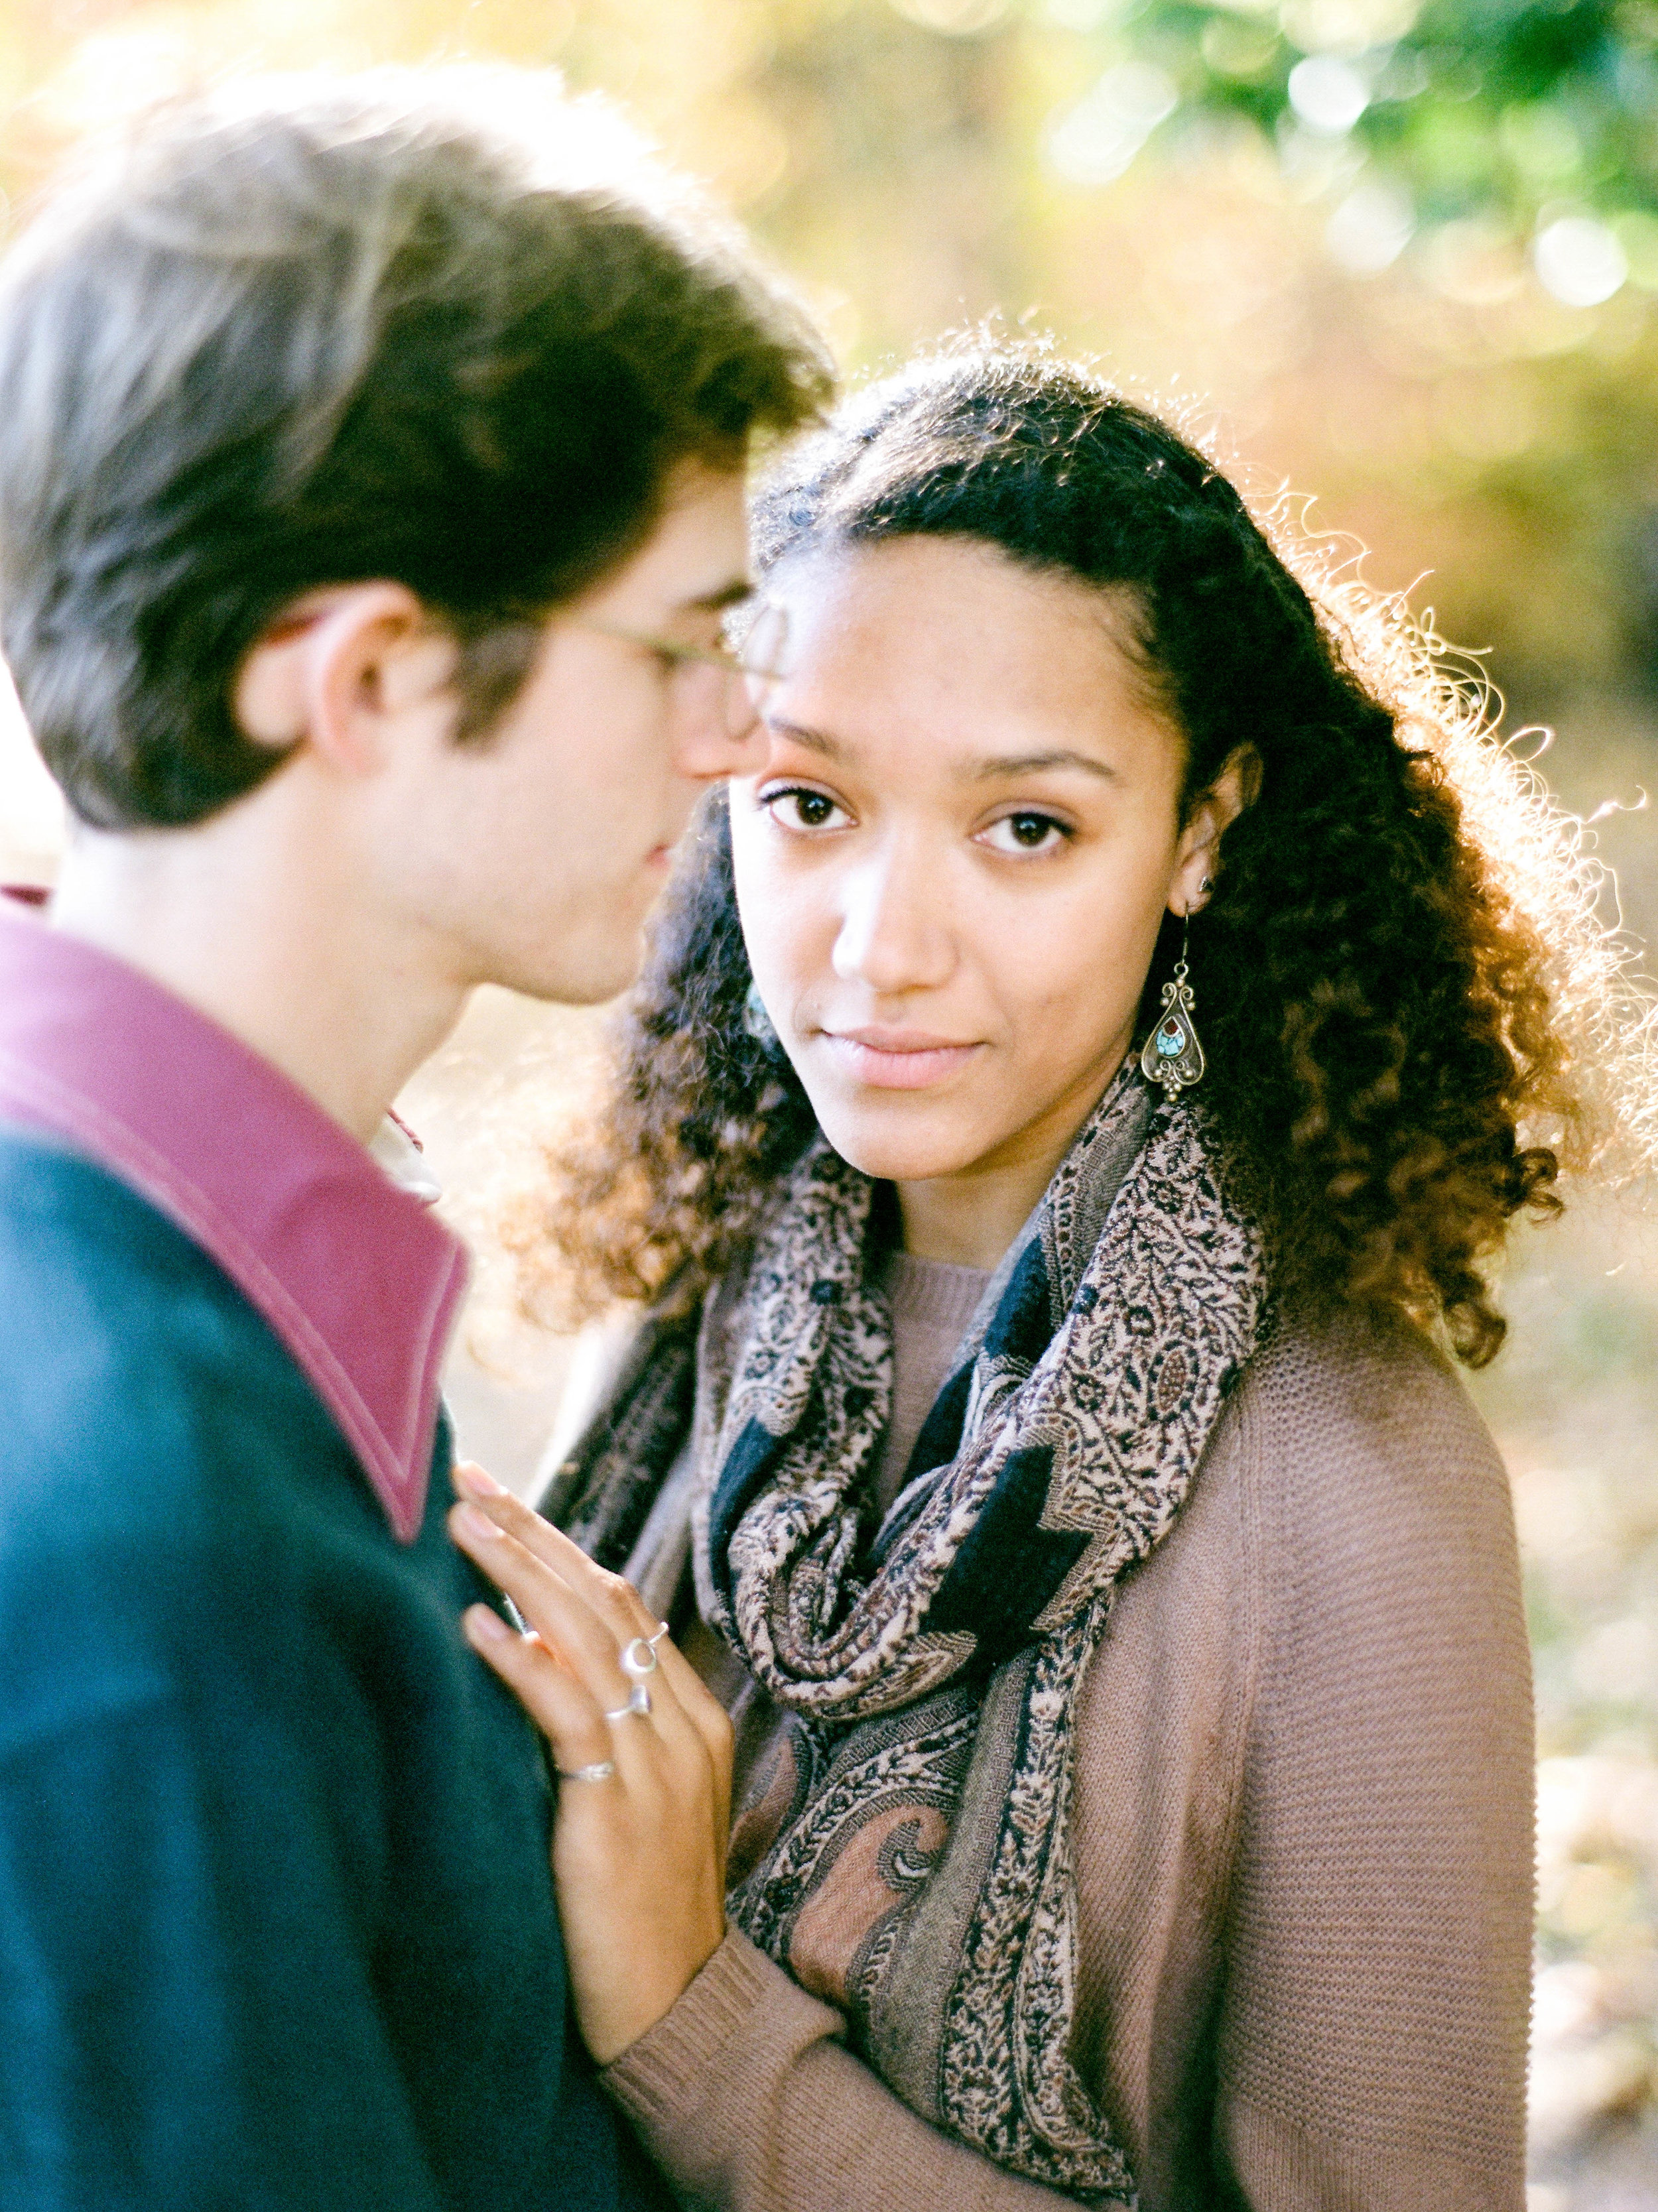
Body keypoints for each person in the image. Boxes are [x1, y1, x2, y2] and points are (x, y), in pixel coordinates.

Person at [447, 350, 1655, 2211]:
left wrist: (695, 2024)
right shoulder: (708, 1310)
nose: (880, 948)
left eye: (1025, 828)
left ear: (1202, 831)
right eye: (806, 805)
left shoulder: (1346, 1492)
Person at [0, 70, 827, 2207]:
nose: (741, 734)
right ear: (363, 678)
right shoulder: (135, 1531)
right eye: (672, 643)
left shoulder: (219, 1254)